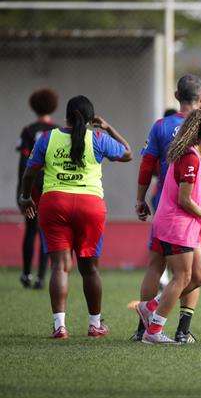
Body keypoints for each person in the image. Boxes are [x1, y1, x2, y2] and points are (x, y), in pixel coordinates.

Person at [132, 75, 201, 343]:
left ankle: (145, 320)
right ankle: (169, 329)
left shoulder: (163, 126)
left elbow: (147, 164)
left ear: (176, 95)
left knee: (168, 268)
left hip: (175, 207)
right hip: (182, 214)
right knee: (184, 275)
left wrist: (140, 198)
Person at [18, 95, 132, 339]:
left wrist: (26, 197)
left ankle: (60, 326)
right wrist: (109, 127)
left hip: (54, 203)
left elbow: (30, 173)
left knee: (59, 266)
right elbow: (128, 153)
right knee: (89, 269)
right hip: (90, 207)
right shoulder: (98, 138)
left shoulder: (47, 138)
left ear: (66, 116)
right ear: (91, 119)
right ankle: (94, 325)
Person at [16, 88, 59, 289]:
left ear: (34, 106)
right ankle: (42, 277)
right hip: (50, 186)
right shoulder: (57, 131)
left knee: (31, 229)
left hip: (31, 186)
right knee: (46, 231)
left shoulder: (28, 131)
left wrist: (21, 190)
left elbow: (24, 161)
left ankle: (26, 274)